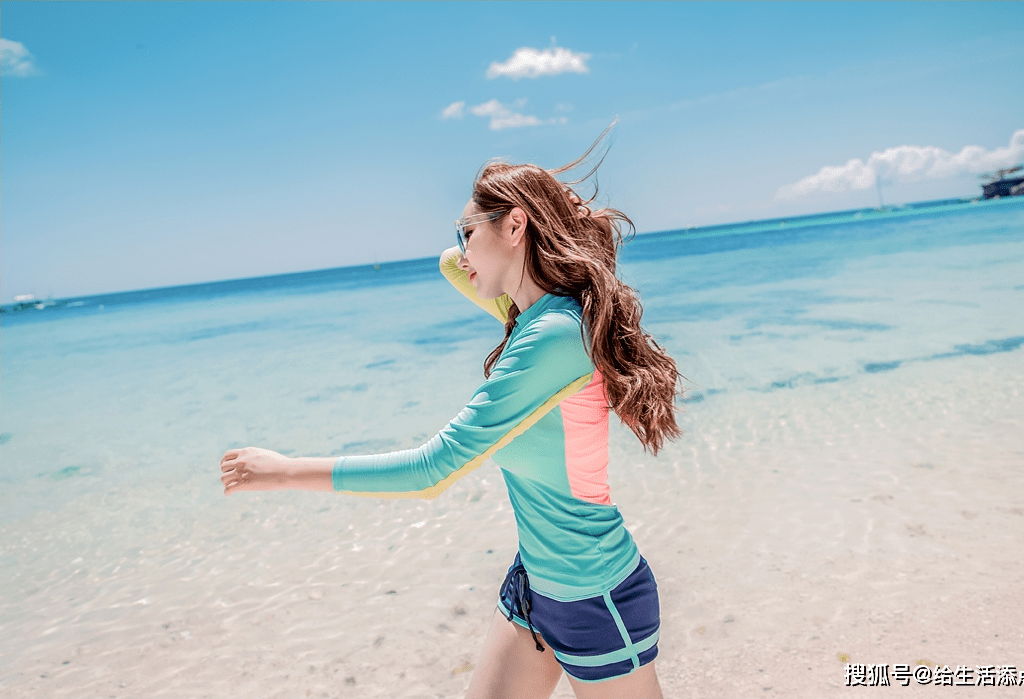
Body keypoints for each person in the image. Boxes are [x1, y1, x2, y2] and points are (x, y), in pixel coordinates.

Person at [219, 129, 683, 699]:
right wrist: (496, 228)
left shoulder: (555, 338)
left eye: (468, 233)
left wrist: (285, 472)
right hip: (535, 587)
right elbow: (450, 265)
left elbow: (429, 472)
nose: (461, 251)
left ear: (515, 227)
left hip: (595, 598)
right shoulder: (530, 318)